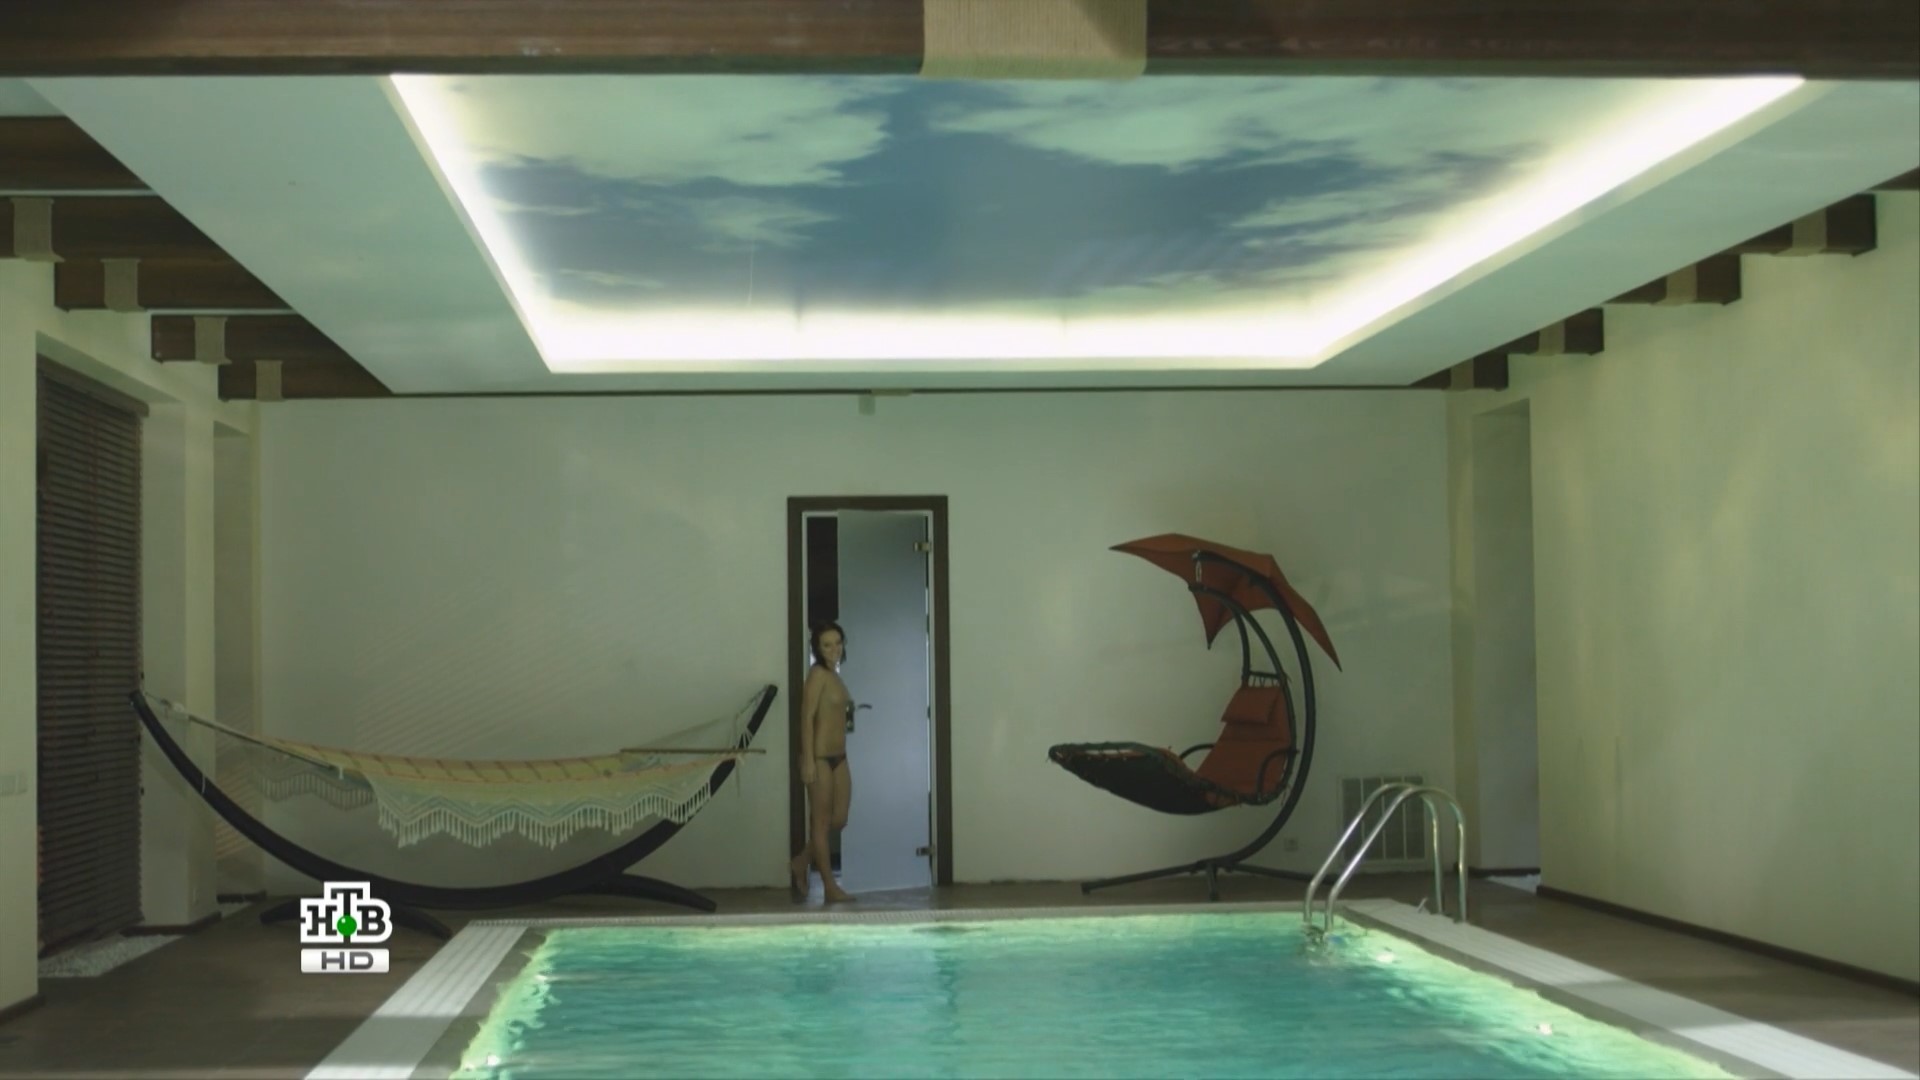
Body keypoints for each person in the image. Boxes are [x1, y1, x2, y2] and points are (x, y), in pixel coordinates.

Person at [791, 621, 855, 902]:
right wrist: (807, 760)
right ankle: (830, 887)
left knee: (839, 818)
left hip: (839, 756)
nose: (834, 649)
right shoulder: (817, 674)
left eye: (838, 643)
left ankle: (801, 861)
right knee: (820, 821)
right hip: (818, 757)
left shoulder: (835, 675)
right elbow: (806, 718)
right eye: (827, 645)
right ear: (817, 648)